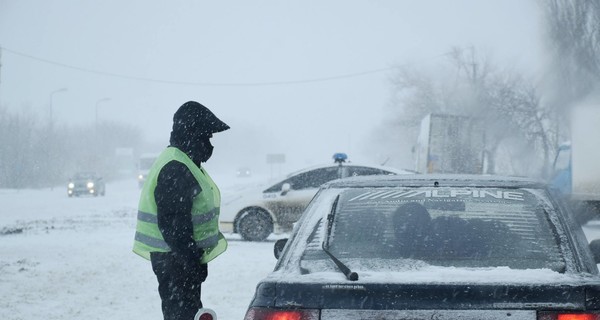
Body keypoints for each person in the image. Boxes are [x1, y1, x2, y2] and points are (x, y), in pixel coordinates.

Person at [132, 101, 230, 320]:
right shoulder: (176, 167)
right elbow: (174, 227)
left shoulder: (184, 161)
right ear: (193, 134)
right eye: (207, 136)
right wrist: (191, 262)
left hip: (178, 262)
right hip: (175, 262)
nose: (209, 142)